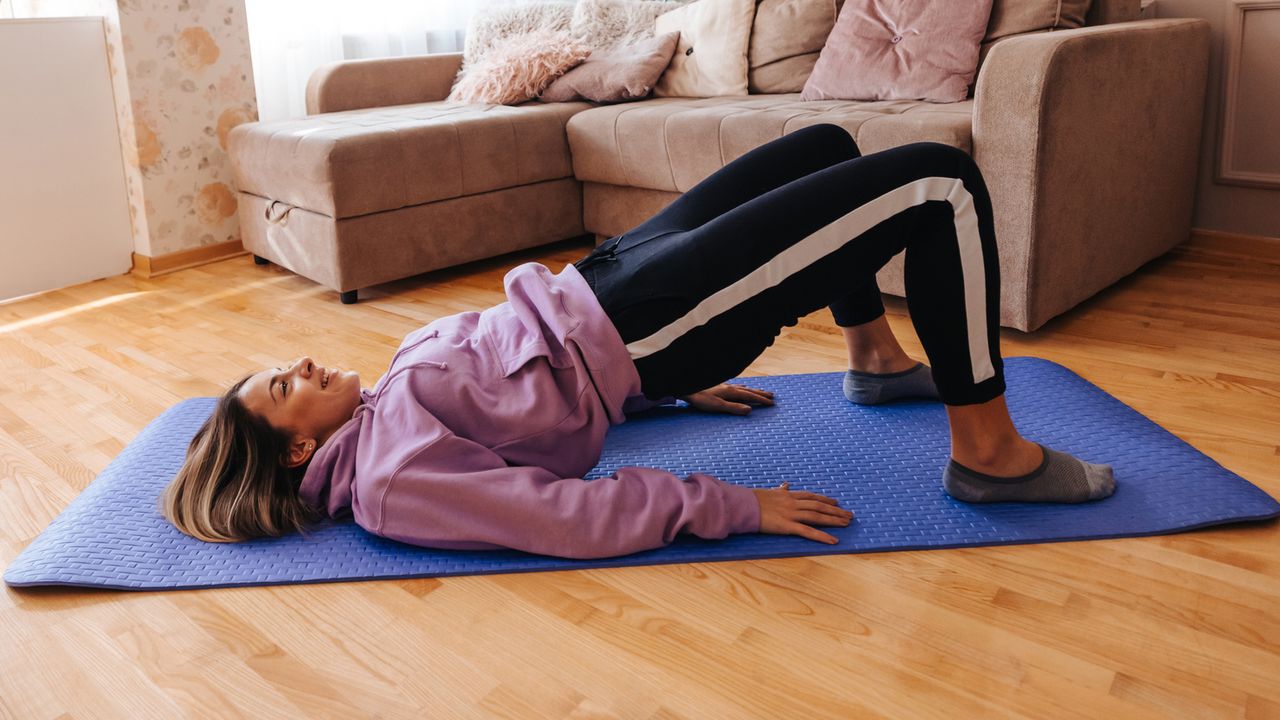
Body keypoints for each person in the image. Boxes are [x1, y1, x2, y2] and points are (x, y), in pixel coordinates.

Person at [160, 124, 1115, 559]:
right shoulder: (392, 479)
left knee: (824, 145)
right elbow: (556, 514)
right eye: (283, 387)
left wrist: (660, 398)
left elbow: (524, 405)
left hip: (607, 280)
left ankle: (877, 360)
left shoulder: (378, 410)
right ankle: (989, 454)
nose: (299, 364)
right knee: (938, 184)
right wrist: (729, 506)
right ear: (296, 448)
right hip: (647, 321)